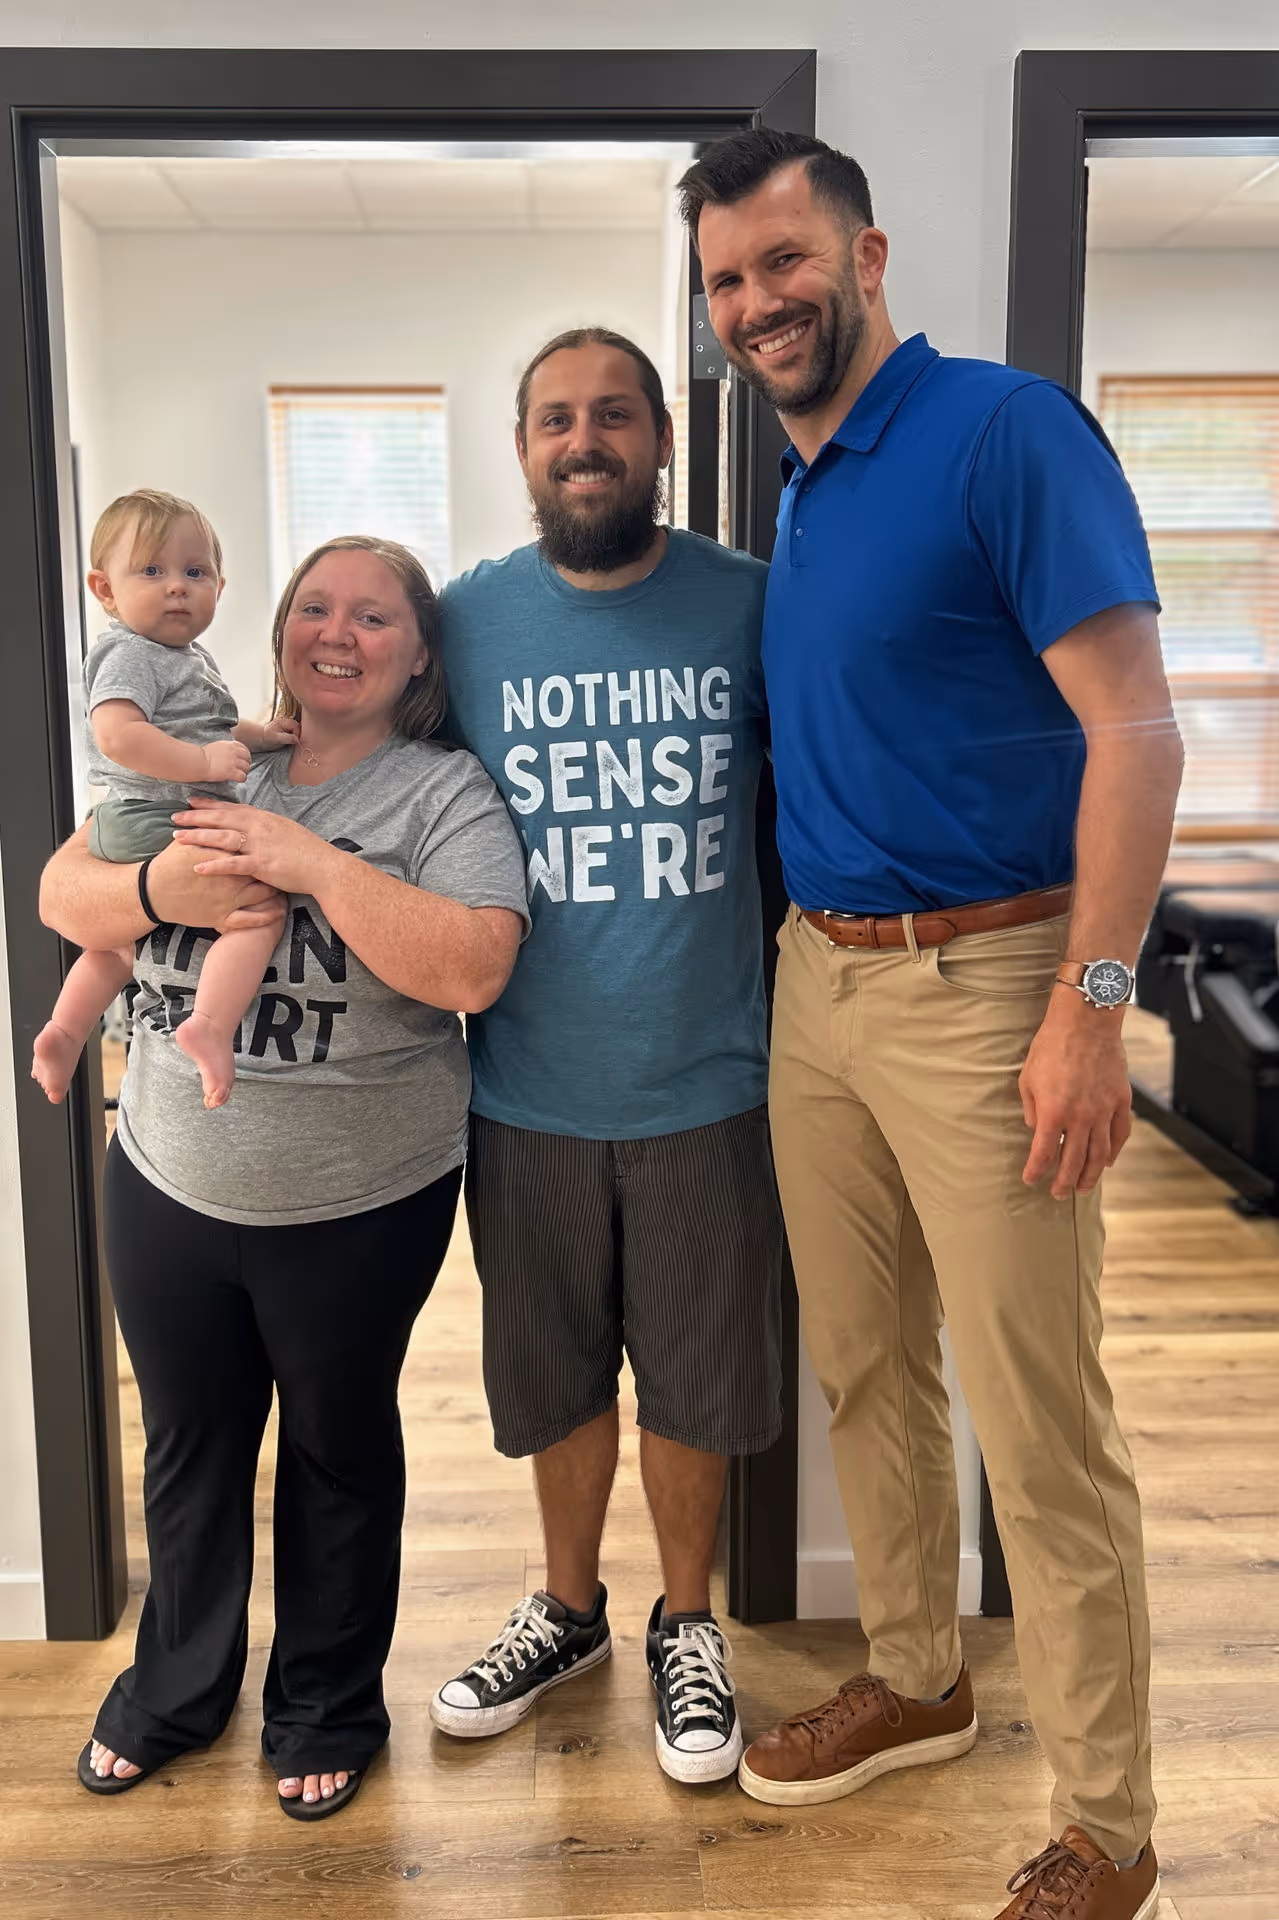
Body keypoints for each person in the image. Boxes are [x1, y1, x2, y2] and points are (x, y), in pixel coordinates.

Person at [679, 131, 1182, 1919]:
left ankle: (1108, 1830)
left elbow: (1133, 732)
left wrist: (1087, 1005)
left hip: (991, 988)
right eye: (727, 281)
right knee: (864, 1365)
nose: (756, 305)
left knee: (1039, 1426)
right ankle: (916, 1673)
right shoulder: (807, 491)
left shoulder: (1000, 431)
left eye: (781, 264)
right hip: (817, 984)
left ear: (865, 252)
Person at [39, 535, 529, 1820]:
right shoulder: (211, 754)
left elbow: (474, 968)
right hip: (163, 1176)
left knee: (334, 1450)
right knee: (190, 1447)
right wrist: (158, 882)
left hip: (360, 1200)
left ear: (419, 652)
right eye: (314, 605)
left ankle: (323, 1701)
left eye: (373, 616)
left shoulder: (443, 797)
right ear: (280, 629)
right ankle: (176, 1688)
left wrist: (309, 862)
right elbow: (59, 891)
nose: (337, 632)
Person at [428, 328, 783, 1784]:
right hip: (522, 1089)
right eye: (556, 420)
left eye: (614, 415)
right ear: (521, 452)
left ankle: (682, 1622)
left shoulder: (753, 605)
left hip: (711, 1082)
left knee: (696, 1376)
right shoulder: (463, 625)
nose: (586, 440)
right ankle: (566, 1606)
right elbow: (366, 772)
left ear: (659, 442)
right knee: (553, 1372)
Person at [31, 488, 298, 1111]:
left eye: (194, 572)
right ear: (105, 590)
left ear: (219, 588)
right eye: (152, 570)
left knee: (120, 945)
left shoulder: (185, 658)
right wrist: (204, 764)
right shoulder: (131, 652)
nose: (177, 585)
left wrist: (258, 736)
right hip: (152, 818)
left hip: (136, 820)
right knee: (256, 910)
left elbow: (204, 729)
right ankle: (210, 1023)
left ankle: (65, 1032)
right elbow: (118, 735)